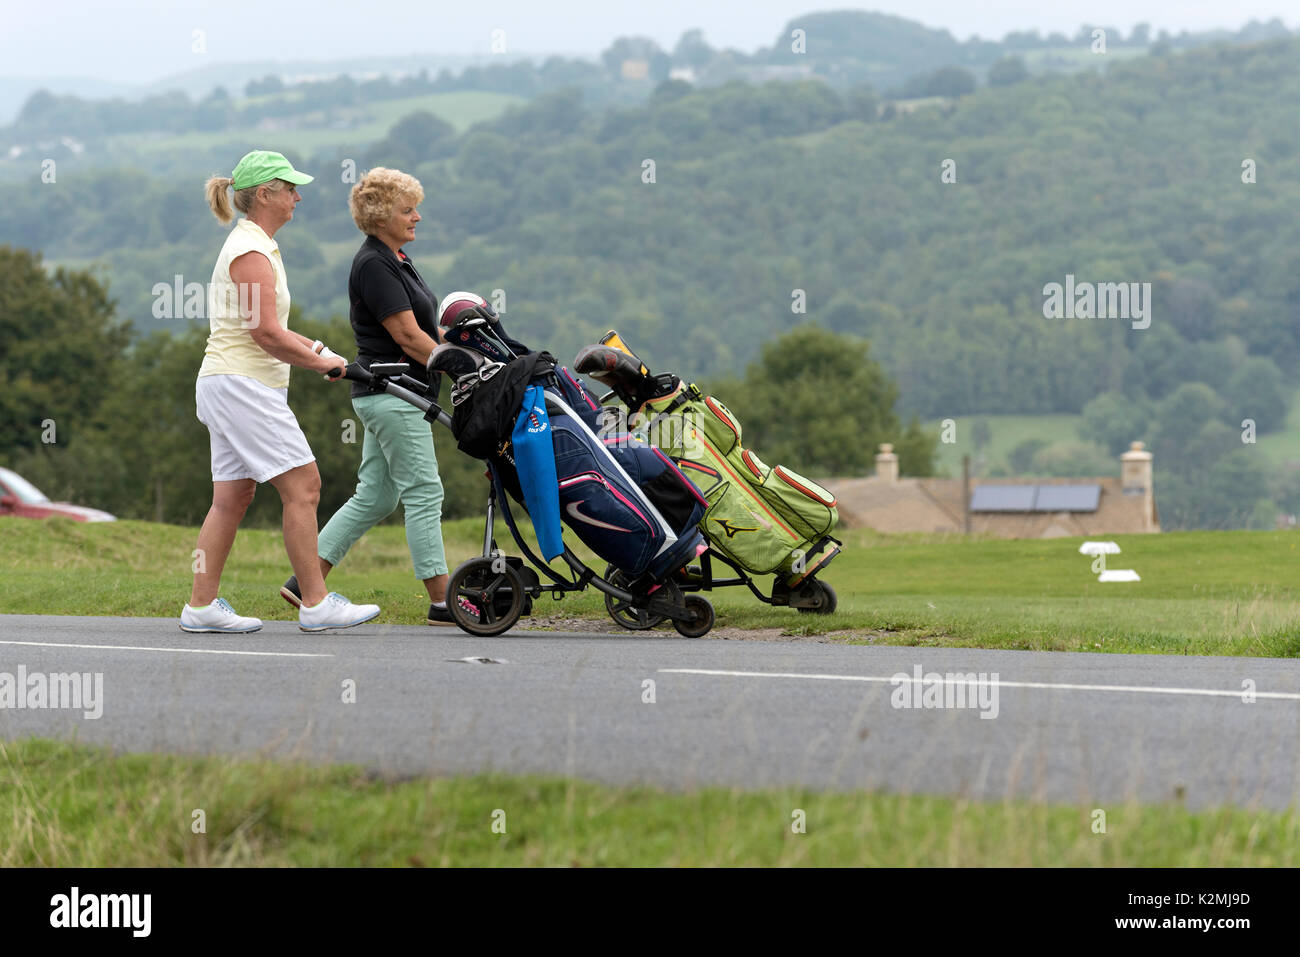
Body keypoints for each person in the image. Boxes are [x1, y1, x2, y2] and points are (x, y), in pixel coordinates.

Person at [181, 149, 381, 634]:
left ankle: (201, 605)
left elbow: (272, 330)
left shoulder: (258, 244)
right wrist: (320, 362)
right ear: (265, 194)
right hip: (240, 385)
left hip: (232, 383)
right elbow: (265, 333)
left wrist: (318, 350)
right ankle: (315, 603)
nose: (297, 196)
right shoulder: (250, 250)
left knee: (232, 497)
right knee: (305, 485)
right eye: (290, 188)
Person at [279, 167, 463, 625]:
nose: (417, 216)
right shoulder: (374, 264)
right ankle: (443, 601)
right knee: (424, 491)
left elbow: (425, 327)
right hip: (395, 393)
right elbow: (405, 334)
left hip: (392, 394)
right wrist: (458, 366)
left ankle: (305, 582)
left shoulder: (395, 259)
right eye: (407, 210)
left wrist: (463, 349)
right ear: (382, 217)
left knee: (377, 496)